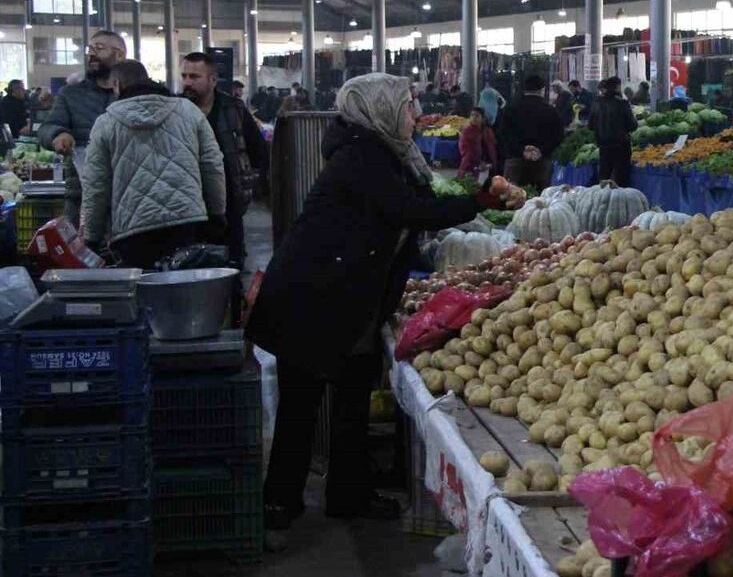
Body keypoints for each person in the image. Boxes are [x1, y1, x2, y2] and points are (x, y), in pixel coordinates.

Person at [246, 73, 524, 531]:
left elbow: (421, 198)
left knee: (352, 394)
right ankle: (279, 501)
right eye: (407, 105)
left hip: (349, 295)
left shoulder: (389, 153)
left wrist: (475, 194)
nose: (415, 114)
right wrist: (478, 200)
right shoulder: (361, 157)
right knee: (302, 402)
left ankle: (347, 495)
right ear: (379, 110)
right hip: (314, 295)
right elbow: (412, 210)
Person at [80, 61, 226, 269]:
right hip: (187, 221)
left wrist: (91, 237)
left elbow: (95, 184)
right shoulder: (189, 111)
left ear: (117, 84)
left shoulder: (106, 123)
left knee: (144, 293)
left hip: (132, 230)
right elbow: (212, 165)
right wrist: (217, 213)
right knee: (185, 290)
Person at [181, 52, 270, 268]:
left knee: (231, 265)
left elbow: (257, 149)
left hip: (230, 200)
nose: (187, 82)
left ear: (212, 80)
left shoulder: (234, 108)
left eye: (194, 77)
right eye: (184, 76)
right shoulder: (177, 109)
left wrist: (251, 182)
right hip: (189, 202)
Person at [39, 30, 126, 221]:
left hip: (126, 195)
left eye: (100, 48)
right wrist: (58, 135)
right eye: (90, 49)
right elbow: (47, 127)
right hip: (80, 196)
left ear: (120, 55)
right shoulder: (70, 94)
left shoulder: (132, 93)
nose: (92, 53)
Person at [497, 75, 565, 189]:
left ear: (524, 89)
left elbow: (503, 134)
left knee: (511, 197)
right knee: (540, 200)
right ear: (542, 89)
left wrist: (521, 150)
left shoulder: (511, 108)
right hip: (542, 161)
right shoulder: (550, 110)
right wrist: (540, 151)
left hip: (515, 159)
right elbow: (558, 136)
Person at [588, 76, 638, 187]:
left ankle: (603, 201)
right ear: (618, 87)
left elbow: (590, 125)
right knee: (620, 179)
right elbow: (633, 125)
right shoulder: (622, 103)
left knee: (604, 177)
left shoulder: (596, 103)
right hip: (621, 146)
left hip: (603, 145)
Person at [458, 108, 498, 178]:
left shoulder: (488, 131)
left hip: (487, 166)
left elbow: (492, 148)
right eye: (472, 115)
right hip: (469, 165)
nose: (474, 118)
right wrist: (479, 162)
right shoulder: (467, 131)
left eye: (477, 116)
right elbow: (465, 150)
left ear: (483, 118)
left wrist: (490, 162)